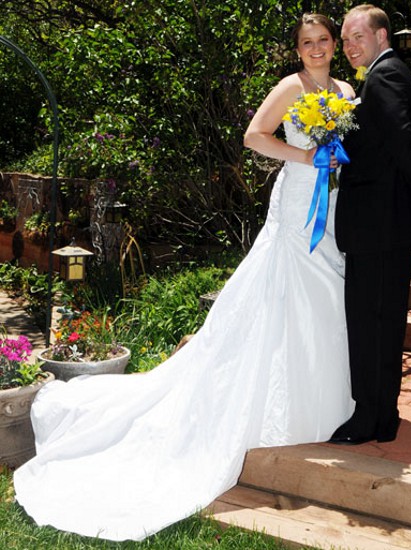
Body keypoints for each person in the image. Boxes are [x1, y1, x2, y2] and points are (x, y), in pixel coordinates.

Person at [13, 14, 355, 541]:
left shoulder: (345, 89)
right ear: (298, 49)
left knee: (324, 294)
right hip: (296, 202)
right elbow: (253, 136)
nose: (316, 49)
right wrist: (305, 154)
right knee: (287, 289)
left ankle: (324, 397)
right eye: (306, 42)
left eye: (323, 40)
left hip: (329, 205)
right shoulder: (291, 86)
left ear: (334, 44)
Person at [329, 5, 411, 446]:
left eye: (358, 36)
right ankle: (382, 415)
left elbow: (400, 139)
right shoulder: (385, 74)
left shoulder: (384, 75)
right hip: (384, 224)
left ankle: (368, 417)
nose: (351, 46)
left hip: (378, 224)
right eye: (347, 39)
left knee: (369, 319)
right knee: (383, 320)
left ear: (381, 35)